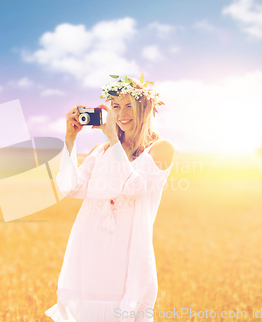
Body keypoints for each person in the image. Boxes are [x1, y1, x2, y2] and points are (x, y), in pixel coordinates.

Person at [45, 75, 175, 322]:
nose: (121, 114)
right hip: (92, 245)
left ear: (145, 109)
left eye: (129, 106)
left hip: (127, 248)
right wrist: (70, 140)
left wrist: (114, 140)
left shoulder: (161, 148)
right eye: (115, 106)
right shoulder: (100, 151)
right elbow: (70, 187)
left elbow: (133, 186)